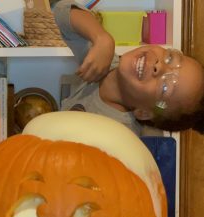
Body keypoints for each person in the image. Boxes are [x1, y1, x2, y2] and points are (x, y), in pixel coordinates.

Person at [50, 0, 204, 135]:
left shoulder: (119, 136)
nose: (160, 67)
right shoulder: (107, 64)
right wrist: (102, 38)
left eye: (165, 88)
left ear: (143, 113)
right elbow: (61, 10)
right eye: (170, 58)